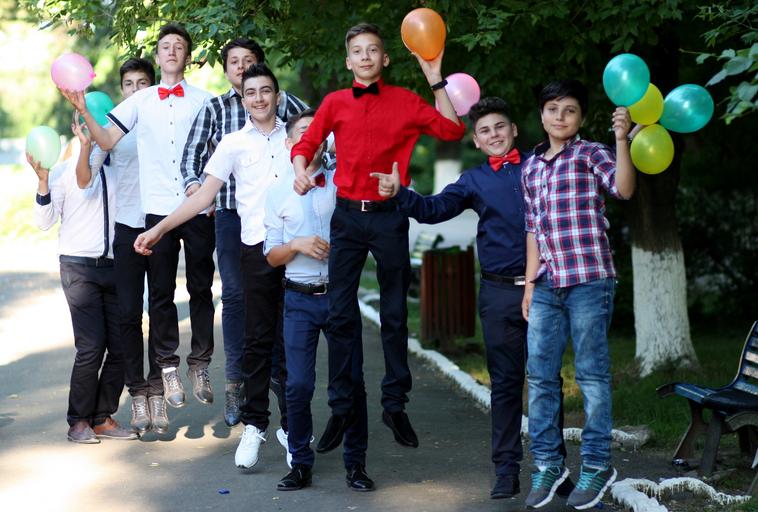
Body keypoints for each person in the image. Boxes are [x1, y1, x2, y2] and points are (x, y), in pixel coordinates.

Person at [373, 96, 575, 500]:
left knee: (548, 382)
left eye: (500, 127)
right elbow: (433, 209)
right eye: (484, 131)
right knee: (505, 385)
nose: (494, 135)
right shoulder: (473, 181)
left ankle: (554, 469)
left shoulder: (543, 167)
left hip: (546, 290)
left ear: (514, 129)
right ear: (477, 141)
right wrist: (400, 193)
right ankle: (506, 471)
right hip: (498, 294)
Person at [290, 22, 465, 451]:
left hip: (389, 217)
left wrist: (435, 78)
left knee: (395, 314)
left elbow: (453, 130)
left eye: (373, 50)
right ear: (348, 61)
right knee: (340, 315)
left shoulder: (405, 101)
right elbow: (306, 144)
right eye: (357, 51)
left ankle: (394, 403)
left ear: (384, 58)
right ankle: (341, 406)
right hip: (348, 219)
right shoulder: (335, 102)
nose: (365, 56)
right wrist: (300, 170)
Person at [134, 63, 291, 471]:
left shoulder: (297, 136)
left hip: (298, 253)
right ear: (243, 98)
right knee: (258, 344)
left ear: (277, 96)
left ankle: (294, 428)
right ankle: (256, 425)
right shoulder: (233, 144)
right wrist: (160, 229)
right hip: (257, 251)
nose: (258, 98)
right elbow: (203, 197)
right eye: (251, 92)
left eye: (266, 91)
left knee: (293, 344)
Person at [60, 23, 215, 414]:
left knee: (201, 287)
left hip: (197, 205)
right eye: (165, 46)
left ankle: (200, 364)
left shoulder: (205, 100)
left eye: (179, 46)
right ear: (158, 54)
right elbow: (108, 140)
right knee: (159, 295)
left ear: (188, 56)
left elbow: (225, 147)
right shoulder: (140, 101)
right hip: (156, 212)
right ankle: (164, 370)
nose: (171, 51)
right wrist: (83, 111)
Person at [181, 38, 309, 427]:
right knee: (236, 296)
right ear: (226, 71)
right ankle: (236, 382)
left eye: (248, 60)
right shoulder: (215, 108)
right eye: (234, 61)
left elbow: (317, 135)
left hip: (284, 220)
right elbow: (191, 156)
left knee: (281, 298)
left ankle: (279, 381)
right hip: (232, 215)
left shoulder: (284, 105)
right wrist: (195, 188)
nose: (241, 67)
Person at [520, 80, 634, 510]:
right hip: (547, 284)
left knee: (591, 376)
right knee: (540, 377)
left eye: (570, 110)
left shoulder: (591, 154)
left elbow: (623, 189)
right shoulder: (531, 167)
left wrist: (622, 140)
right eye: (553, 109)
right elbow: (533, 229)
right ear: (542, 115)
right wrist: (529, 284)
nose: (560, 117)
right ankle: (549, 464)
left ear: (581, 117)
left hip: (589, 280)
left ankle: (597, 464)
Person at [264, 109, 372, 492]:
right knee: (297, 385)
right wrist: (296, 244)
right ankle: (300, 463)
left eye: (319, 132)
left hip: (340, 297)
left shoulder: (343, 182)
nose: (312, 138)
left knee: (352, 381)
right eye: (304, 132)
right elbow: (271, 255)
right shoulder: (277, 193)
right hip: (299, 299)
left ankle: (356, 465)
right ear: (290, 143)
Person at [73, 58, 165, 434]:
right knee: (128, 316)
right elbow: (84, 180)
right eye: (129, 84)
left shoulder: (164, 127)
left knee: (161, 313)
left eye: (143, 83)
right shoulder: (111, 134)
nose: (136, 90)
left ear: (152, 87)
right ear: (122, 91)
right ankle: (137, 392)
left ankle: (158, 390)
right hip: (126, 232)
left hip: (161, 227)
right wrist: (85, 146)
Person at [30, 126, 136, 444]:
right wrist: (43, 182)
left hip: (115, 267)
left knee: (121, 346)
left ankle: (101, 417)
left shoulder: (119, 170)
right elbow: (44, 221)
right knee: (91, 346)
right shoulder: (63, 172)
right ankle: (78, 421)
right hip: (78, 267)